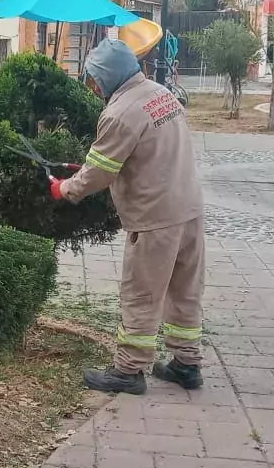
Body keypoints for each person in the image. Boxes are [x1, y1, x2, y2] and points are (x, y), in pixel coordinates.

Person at [50, 38, 206, 395]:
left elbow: (99, 172)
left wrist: (64, 189)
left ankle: (128, 371)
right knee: (184, 289)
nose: (94, 85)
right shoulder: (162, 94)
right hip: (189, 210)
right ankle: (187, 363)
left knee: (141, 292)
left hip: (155, 218)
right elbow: (143, 152)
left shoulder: (120, 113)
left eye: (94, 78)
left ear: (106, 76)